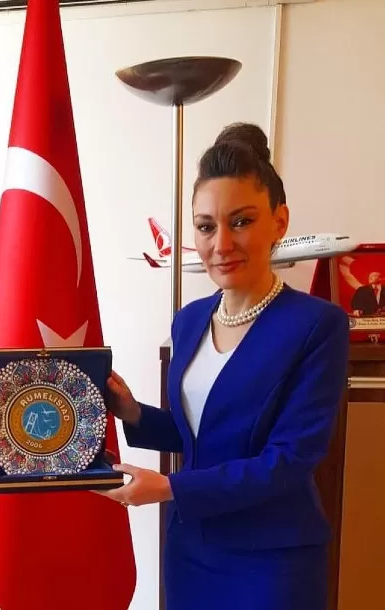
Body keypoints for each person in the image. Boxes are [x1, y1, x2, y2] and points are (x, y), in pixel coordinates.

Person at [101, 126, 350, 610]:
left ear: (279, 221)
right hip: (191, 549)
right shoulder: (189, 321)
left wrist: (170, 487)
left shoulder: (317, 325)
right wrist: (133, 412)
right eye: (205, 226)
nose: (220, 244)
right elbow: (204, 434)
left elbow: (289, 459)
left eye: (241, 221)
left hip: (270, 559)